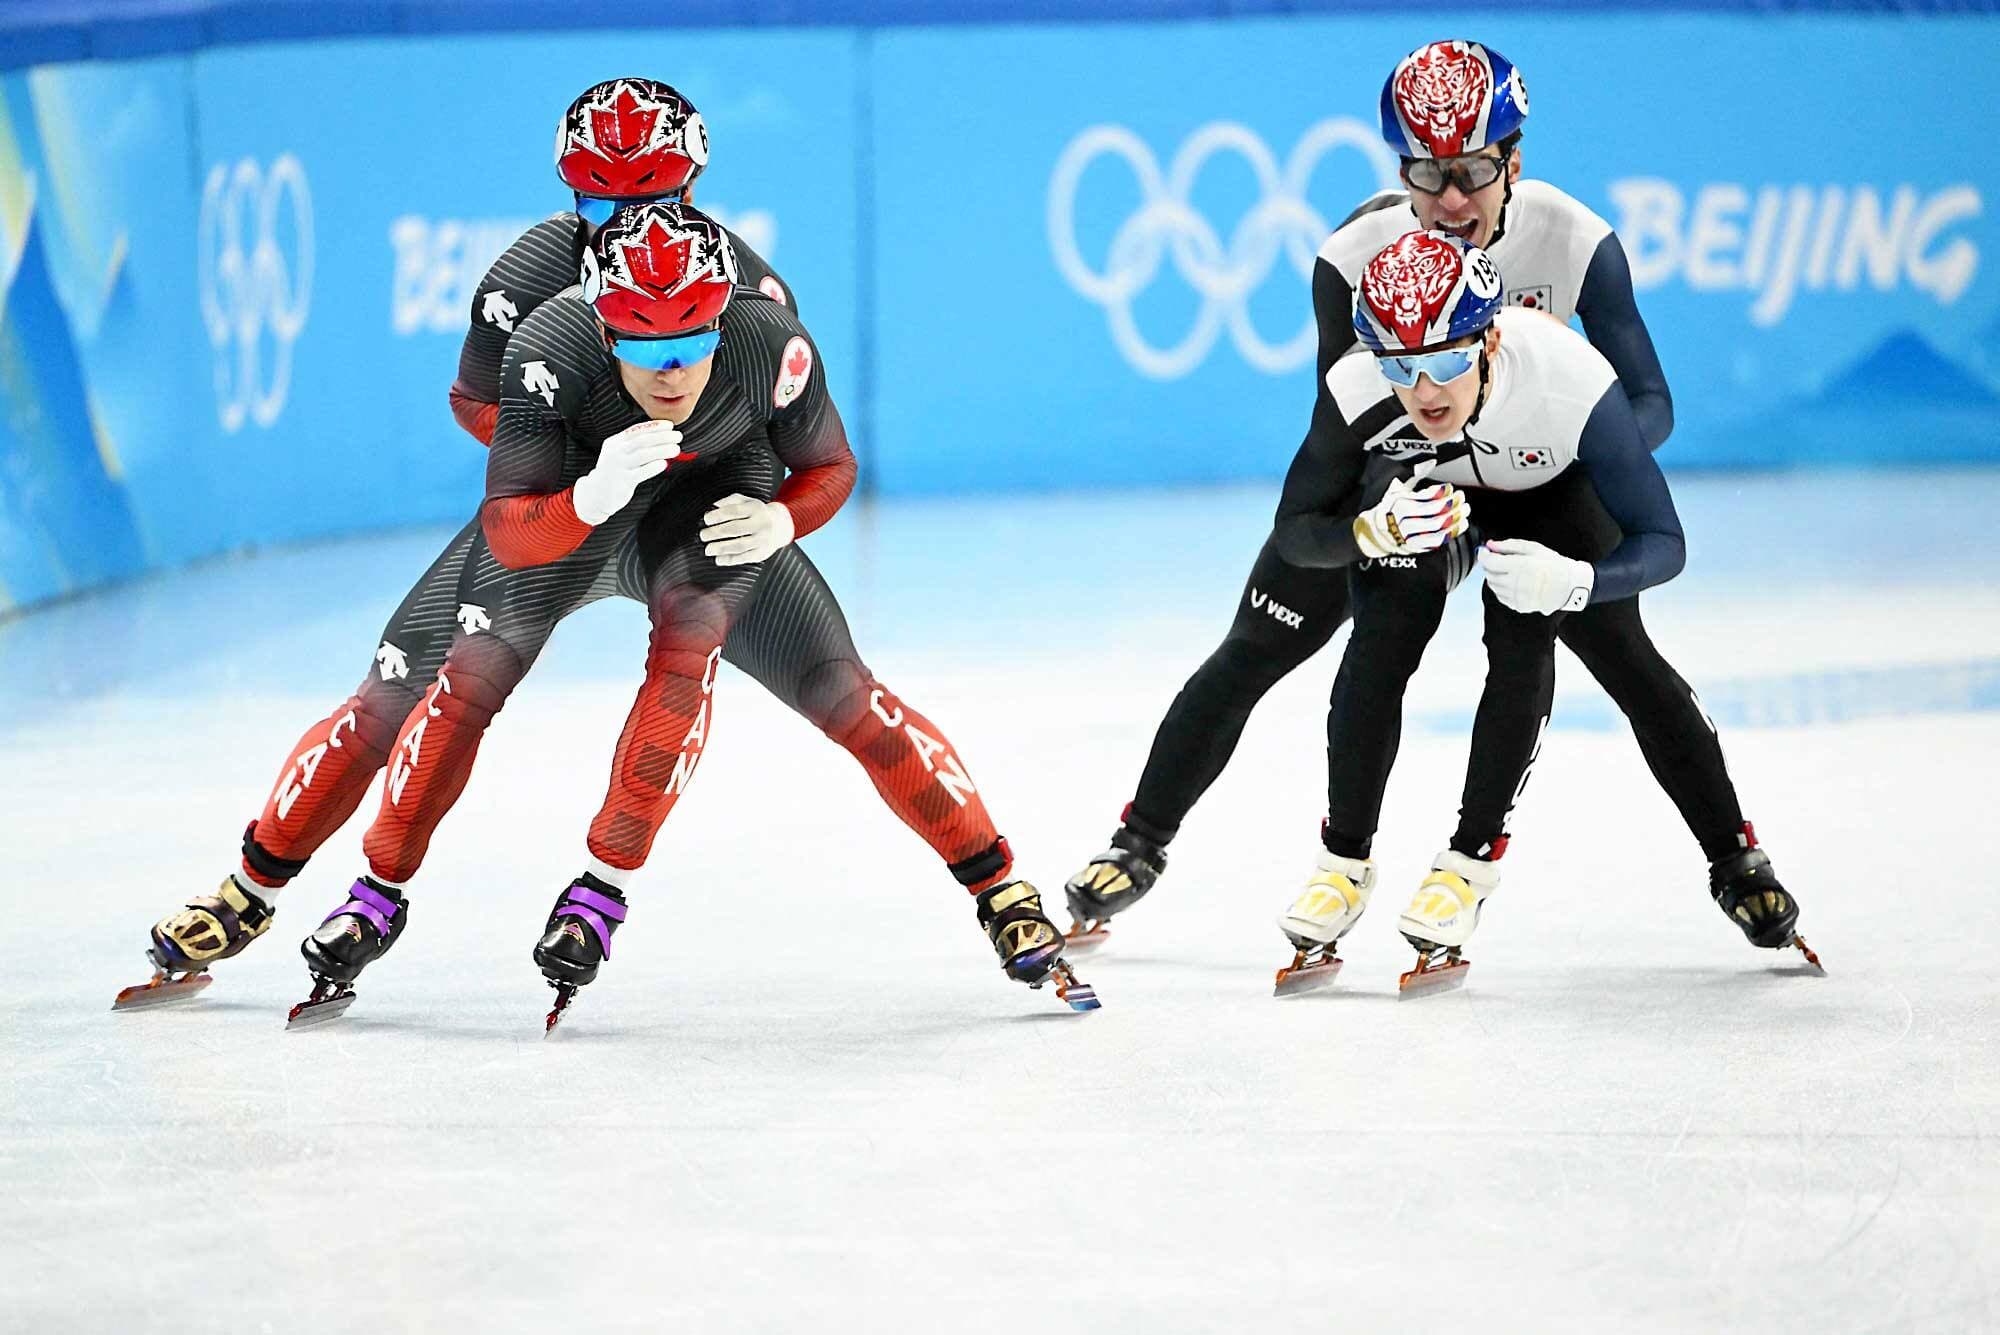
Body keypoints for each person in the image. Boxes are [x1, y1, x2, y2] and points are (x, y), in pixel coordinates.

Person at [124, 83, 1092, 1021]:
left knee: (832, 691)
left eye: (651, 197)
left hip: (706, 506)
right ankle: (256, 883)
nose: (623, 217)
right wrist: (569, 473)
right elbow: (478, 417)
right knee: (405, 691)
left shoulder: (752, 302)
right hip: (568, 507)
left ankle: (997, 886)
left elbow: (813, 450)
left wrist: (779, 519)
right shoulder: (527, 292)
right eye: (595, 199)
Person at [1065, 39, 1810, 971]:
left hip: (1539, 466)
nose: (1449, 201)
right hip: (1413, 474)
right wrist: (1375, 518)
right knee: (1270, 633)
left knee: (1621, 655)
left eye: (1469, 173)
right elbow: (1349, 419)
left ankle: (1735, 859)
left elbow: (1646, 403)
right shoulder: (1352, 260)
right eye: (1425, 173)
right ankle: (1143, 839)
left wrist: (1572, 452)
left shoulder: (1577, 242)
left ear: (1514, 161)